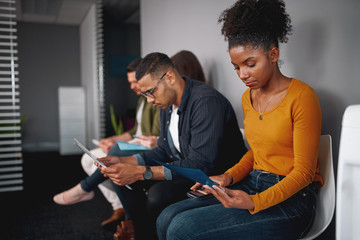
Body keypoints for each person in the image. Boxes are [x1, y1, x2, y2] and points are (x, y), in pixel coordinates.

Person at [156, 0, 322, 239]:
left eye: (250, 64)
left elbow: (304, 173)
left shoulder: (302, 96)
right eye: (236, 67)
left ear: (273, 54)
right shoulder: (248, 97)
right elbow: (256, 152)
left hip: (293, 201)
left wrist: (255, 201)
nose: (243, 74)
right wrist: (228, 176)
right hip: (252, 182)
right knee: (167, 217)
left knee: (183, 229)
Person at [97, 52, 247, 240]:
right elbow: (164, 149)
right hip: (190, 169)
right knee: (120, 177)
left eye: (150, 92)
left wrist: (139, 171)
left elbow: (201, 164)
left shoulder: (205, 101)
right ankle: (142, 233)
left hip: (216, 176)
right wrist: (122, 160)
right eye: (145, 95)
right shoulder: (167, 105)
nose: (149, 100)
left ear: (169, 77)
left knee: (158, 194)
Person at [53, 57, 161, 231]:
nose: (132, 86)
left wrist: (117, 145)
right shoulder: (142, 100)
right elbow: (135, 130)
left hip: (147, 146)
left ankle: (86, 189)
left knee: (105, 159)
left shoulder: (153, 99)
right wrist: (112, 139)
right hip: (138, 142)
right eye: (131, 82)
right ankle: (117, 206)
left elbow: (152, 136)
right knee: (89, 159)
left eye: (135, 82)